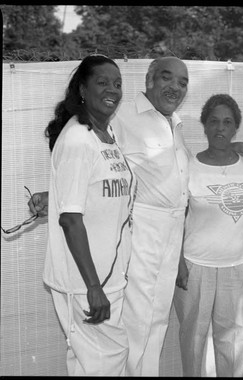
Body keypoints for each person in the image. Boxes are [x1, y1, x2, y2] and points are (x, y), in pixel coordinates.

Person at [28, 56, 243, 377]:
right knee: (135, 325)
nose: (175, 86)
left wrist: (233, 148)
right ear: (149, 80)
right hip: (141, 235)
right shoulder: (121, 117)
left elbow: (179, 175)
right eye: (167, 78)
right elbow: (92, 165)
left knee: (156, 322)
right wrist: (55, 197)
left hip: (171, 236)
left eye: (182, 82)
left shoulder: (173, 124)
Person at [43, 54, 137, 376]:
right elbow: (70, 219)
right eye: (103, 82)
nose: (113, 89)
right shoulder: (78, 139)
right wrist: (93, 287)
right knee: (108, 363)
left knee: (90, 366)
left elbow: (92, 192)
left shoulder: (107, 136)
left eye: (118, 83)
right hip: (86, 280)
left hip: (109, 274)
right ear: (83, 89)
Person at [173, 94, 243, 377]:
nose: (220, 128)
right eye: (213, 121)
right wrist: (178, 261)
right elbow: (176, 218)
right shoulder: (189, 167)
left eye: (227, 122)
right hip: (195, 266)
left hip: (235, 266)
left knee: (233, 340)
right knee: (193, 338)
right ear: (204, 125)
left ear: (235, 128)